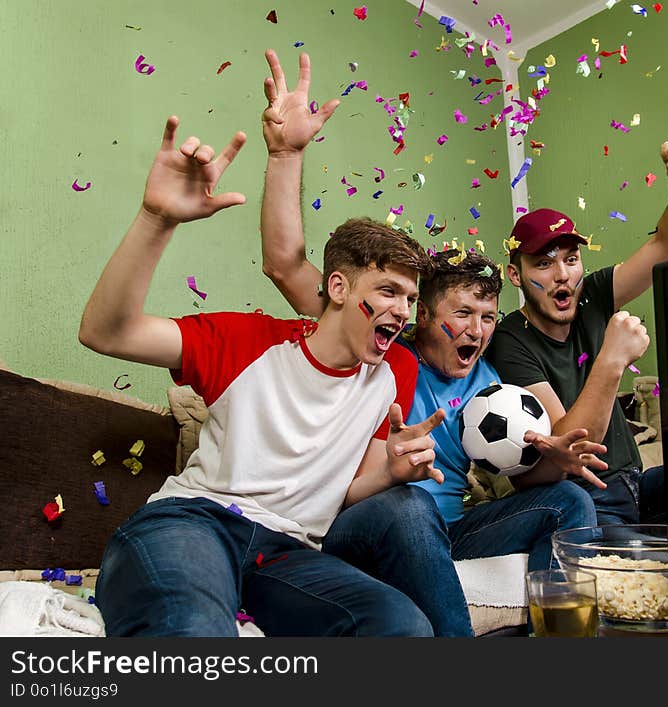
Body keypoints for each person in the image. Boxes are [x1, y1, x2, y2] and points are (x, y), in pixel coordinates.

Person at [258, 49, 609, 635]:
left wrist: (554, 460)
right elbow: (285, 265)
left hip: (448, 531)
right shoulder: (382, 351)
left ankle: (560, 639)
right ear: (420, 317)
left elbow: (522, 480)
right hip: (367, 521)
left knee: (572, 501)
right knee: (411, 503)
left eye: (489, 316)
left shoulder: (493, 384)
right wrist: (286, 155)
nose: (477, 329)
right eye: (463, 313)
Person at [78, 111, 456, 637]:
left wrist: (392, 473)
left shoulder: (396, 368)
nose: (403, 311)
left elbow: (347, 492)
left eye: (411, 299)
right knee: (193, 629)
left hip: (287, 553)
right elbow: (106, 332)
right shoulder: (249, 341)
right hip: (194, 522)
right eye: (389, 292)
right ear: (340, 288)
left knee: (401, 626)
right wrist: (156, 218)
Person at [485, 133, 668, 526]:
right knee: (642, 574)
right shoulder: (511, 341)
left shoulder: (591, 295)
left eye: (571, 259)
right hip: (588, 497)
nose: (562, 275)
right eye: (543, 264)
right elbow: (572, 445)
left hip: (636, 484)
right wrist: (612, 359)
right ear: (516, 275)